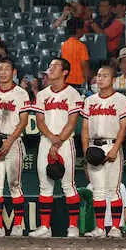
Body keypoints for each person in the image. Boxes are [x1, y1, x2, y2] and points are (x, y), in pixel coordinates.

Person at [29, 58, 84, 238]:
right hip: (47, 141)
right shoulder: (42, 95)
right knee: (45, 186)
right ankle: (45, 227)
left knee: (68, 185)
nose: (51, 69)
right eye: (49, 66)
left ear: (65, 72)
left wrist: (58, 141)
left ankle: (73, 227)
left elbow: (72, 122)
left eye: (55, 66)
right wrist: (52, 139)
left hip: (65, 142)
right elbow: (40, 120)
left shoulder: (73, 93)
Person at [0, 57, 31, 237]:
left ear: (13, 72)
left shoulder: (21, 93)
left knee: (14, 185)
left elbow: (23, 121)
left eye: (6, 69)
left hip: (13, 143)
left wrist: (9, 141)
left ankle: (18, 225)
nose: (2, 72)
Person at [81, 66, 126, 238]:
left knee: (113, 189)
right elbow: (85, 127)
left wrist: (116, 148)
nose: (100, 78)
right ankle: (100, 228)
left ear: (113, 79)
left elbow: (124, 126)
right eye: (99, 75)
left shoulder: (121, 100)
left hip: (111, 144)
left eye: (105, 75)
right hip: (94, 146)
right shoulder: (90, 100)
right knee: (98, 191)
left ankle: (116, 227)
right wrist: (86, 150)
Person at [60, 18, 91, 88]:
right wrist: (88, 81)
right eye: (83, 28)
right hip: (79, 83)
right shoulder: (81, 46)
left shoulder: (64, 45)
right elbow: (85, 67)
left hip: (66, 81)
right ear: (78, 30)